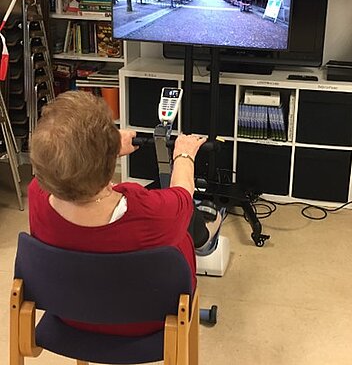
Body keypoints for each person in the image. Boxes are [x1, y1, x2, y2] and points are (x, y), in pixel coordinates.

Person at [28, 90, 222, 337]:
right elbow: (183, 194)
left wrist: (104, 150)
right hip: (150, 322)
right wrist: (184, 154)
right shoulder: (148, 210)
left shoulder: (36, 196)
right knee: (185, 229)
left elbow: (66, 170)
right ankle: (205, 237)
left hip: (70, 317)